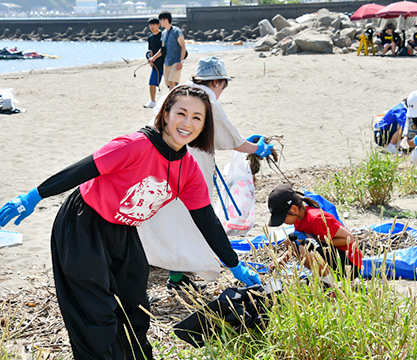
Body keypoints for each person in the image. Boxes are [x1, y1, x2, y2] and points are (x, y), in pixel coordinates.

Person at [0, 86, 260, 359]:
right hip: (83, 226)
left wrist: (234, 264)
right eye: (180, 113)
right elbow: (82, 169)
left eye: (197, 117)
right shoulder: (134, 145)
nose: (187, 123)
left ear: (205, 125)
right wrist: (33, 195)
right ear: (165, 114)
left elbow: (206, 220)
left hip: (125, 231)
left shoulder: (188, 168)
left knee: (134, 311)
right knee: (96, 314)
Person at [139, 56, 274, 291]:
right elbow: (233, 140)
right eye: (223, 85)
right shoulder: (207, 101)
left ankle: (176, 277)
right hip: (187, 172)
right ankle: (178, 277)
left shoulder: (173, 94)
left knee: (168, 220)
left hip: (158, 168)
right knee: (190, 220)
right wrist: (258, 149)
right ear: (218, 82)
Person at [267, 184, 363, 286]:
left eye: (283, 217)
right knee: (289, 241)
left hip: (348, 264)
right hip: (329, 255)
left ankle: (329, 285)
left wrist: (317, 241)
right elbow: (299, 240)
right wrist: (283, 259)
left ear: (294, 209)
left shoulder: (316, 218)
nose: (283, 222)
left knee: (306, 246)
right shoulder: (298, 219)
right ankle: (320, 275)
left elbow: (349, 238)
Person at [149, 11, 186, 89]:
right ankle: (174, 99)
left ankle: (174, 100)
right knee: (169, 84)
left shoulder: (176, 31)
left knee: (172, 81)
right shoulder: (163, 33)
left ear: (165, 20)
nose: (160, 22)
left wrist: (181, 61)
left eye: (160, 20)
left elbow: (183, 46)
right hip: (166, 62)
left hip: (176, 61)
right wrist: (153, 58)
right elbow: (162, 49)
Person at [143, 17, 164, 108]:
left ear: (158, 25)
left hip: (166, 63)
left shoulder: (163, 35)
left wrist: (154, 57)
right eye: (150, 25)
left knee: (170, 84)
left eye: (153, 25)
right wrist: (151, 60)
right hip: (156, 65)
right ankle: (152, 101)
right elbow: (151, 50)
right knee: (152, 83)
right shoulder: (150, 37)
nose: (151, 27)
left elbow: (163, 49)